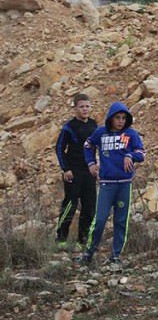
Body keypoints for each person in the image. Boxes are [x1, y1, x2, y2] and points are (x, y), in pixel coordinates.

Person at [79, 102, 145, 267]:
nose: (121, 121)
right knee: (100, 220)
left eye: (124, 118)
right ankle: (88, 253)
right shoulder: (101, 133)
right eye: (118, 118)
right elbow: (87, 145)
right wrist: (91, 163)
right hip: (107, 184)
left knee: (121, 221)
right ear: (111, 118)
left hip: (124, 185)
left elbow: (142, 152)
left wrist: (130, 155)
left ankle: (116, 256)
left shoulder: (131, 134)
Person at [54, 94, 98, 249]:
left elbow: (98, 146)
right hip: (73, 172)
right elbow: (59, 149)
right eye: (82, 106)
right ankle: (61, 238)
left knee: (90, 206)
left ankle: (83, 240)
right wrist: (65, 169)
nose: (85, 109)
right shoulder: (69, 127)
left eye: (87, 106)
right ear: (75, 108)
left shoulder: (94, 125)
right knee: (70, 205)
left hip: (89, 173)